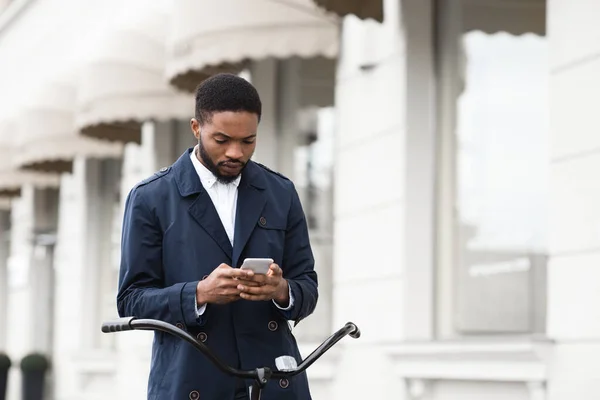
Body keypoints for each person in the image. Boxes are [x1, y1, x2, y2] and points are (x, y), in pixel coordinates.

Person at [116, 73, 319, 400]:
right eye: (222, 140)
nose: (236, 152)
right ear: (196, 128)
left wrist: (281, 289)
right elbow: (131, 299)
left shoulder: (281, 193)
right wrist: (198, 293)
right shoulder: (151, 197)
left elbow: (307, 287)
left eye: (248, 141)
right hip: (191, 381)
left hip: (274, 382)